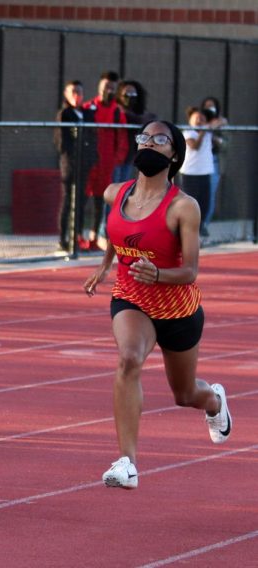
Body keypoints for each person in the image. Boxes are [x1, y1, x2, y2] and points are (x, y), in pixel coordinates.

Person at [83, 120, 232, 490]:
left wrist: (160, 275)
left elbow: (190, 271)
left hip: (179, 310)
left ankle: (214, 401)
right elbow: (120, 232)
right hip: (132, 297)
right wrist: (105, 265)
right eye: (144, 137)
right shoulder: (115, 193)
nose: (149, 142)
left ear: (174, 155)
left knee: (185, 395)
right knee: (129, 358)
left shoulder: (184, 207)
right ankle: (127, 463)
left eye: (160, 139)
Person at [82, 71, 127, 251]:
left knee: (101, 203)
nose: (108, 90)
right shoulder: (88, 108)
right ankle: (77, 237)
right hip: (89, 162)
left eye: (112, 87)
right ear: (100, 87)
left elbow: (122, 139)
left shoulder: (117, 112)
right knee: (82, 200)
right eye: (105, 86)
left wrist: (116, 160)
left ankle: (95, 236)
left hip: (107, 164)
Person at [54, 80, 96, 252]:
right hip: (70, 164)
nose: (76, 95)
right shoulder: (65, 114)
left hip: (85, 165)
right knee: (68, 200)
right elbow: (61, 141)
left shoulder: (86, 114)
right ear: (66, 94)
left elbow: (93, 137)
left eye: (79, 92)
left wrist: (91, 157)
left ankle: (76, 235)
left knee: (80, 201)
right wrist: (71, 157)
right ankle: (63, 238)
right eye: (73, 92)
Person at [179, 107, 214, 238]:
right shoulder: (188, 132)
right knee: (190, 204)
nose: (199, 120)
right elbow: (195, 146)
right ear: (190, 120)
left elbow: (221, 123)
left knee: (204, 204)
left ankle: (199, 230)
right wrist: (204, 132)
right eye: (196, 118)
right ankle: (186, 232)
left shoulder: (208, 133)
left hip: (205, 172)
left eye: (202, 118)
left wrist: (212, 126)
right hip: (190, 173)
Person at [200, 96, 228, 231]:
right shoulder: (199, 120)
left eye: (212, 106)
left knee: (209, 194)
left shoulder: (222, 123)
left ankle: (204, 224)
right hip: (197, 164)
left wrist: (216, 139)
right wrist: (209, 126)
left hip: (213, 161)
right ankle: (195, 224)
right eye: (207, 106)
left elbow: (226, 144)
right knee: (195, 194)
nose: (209, 109)